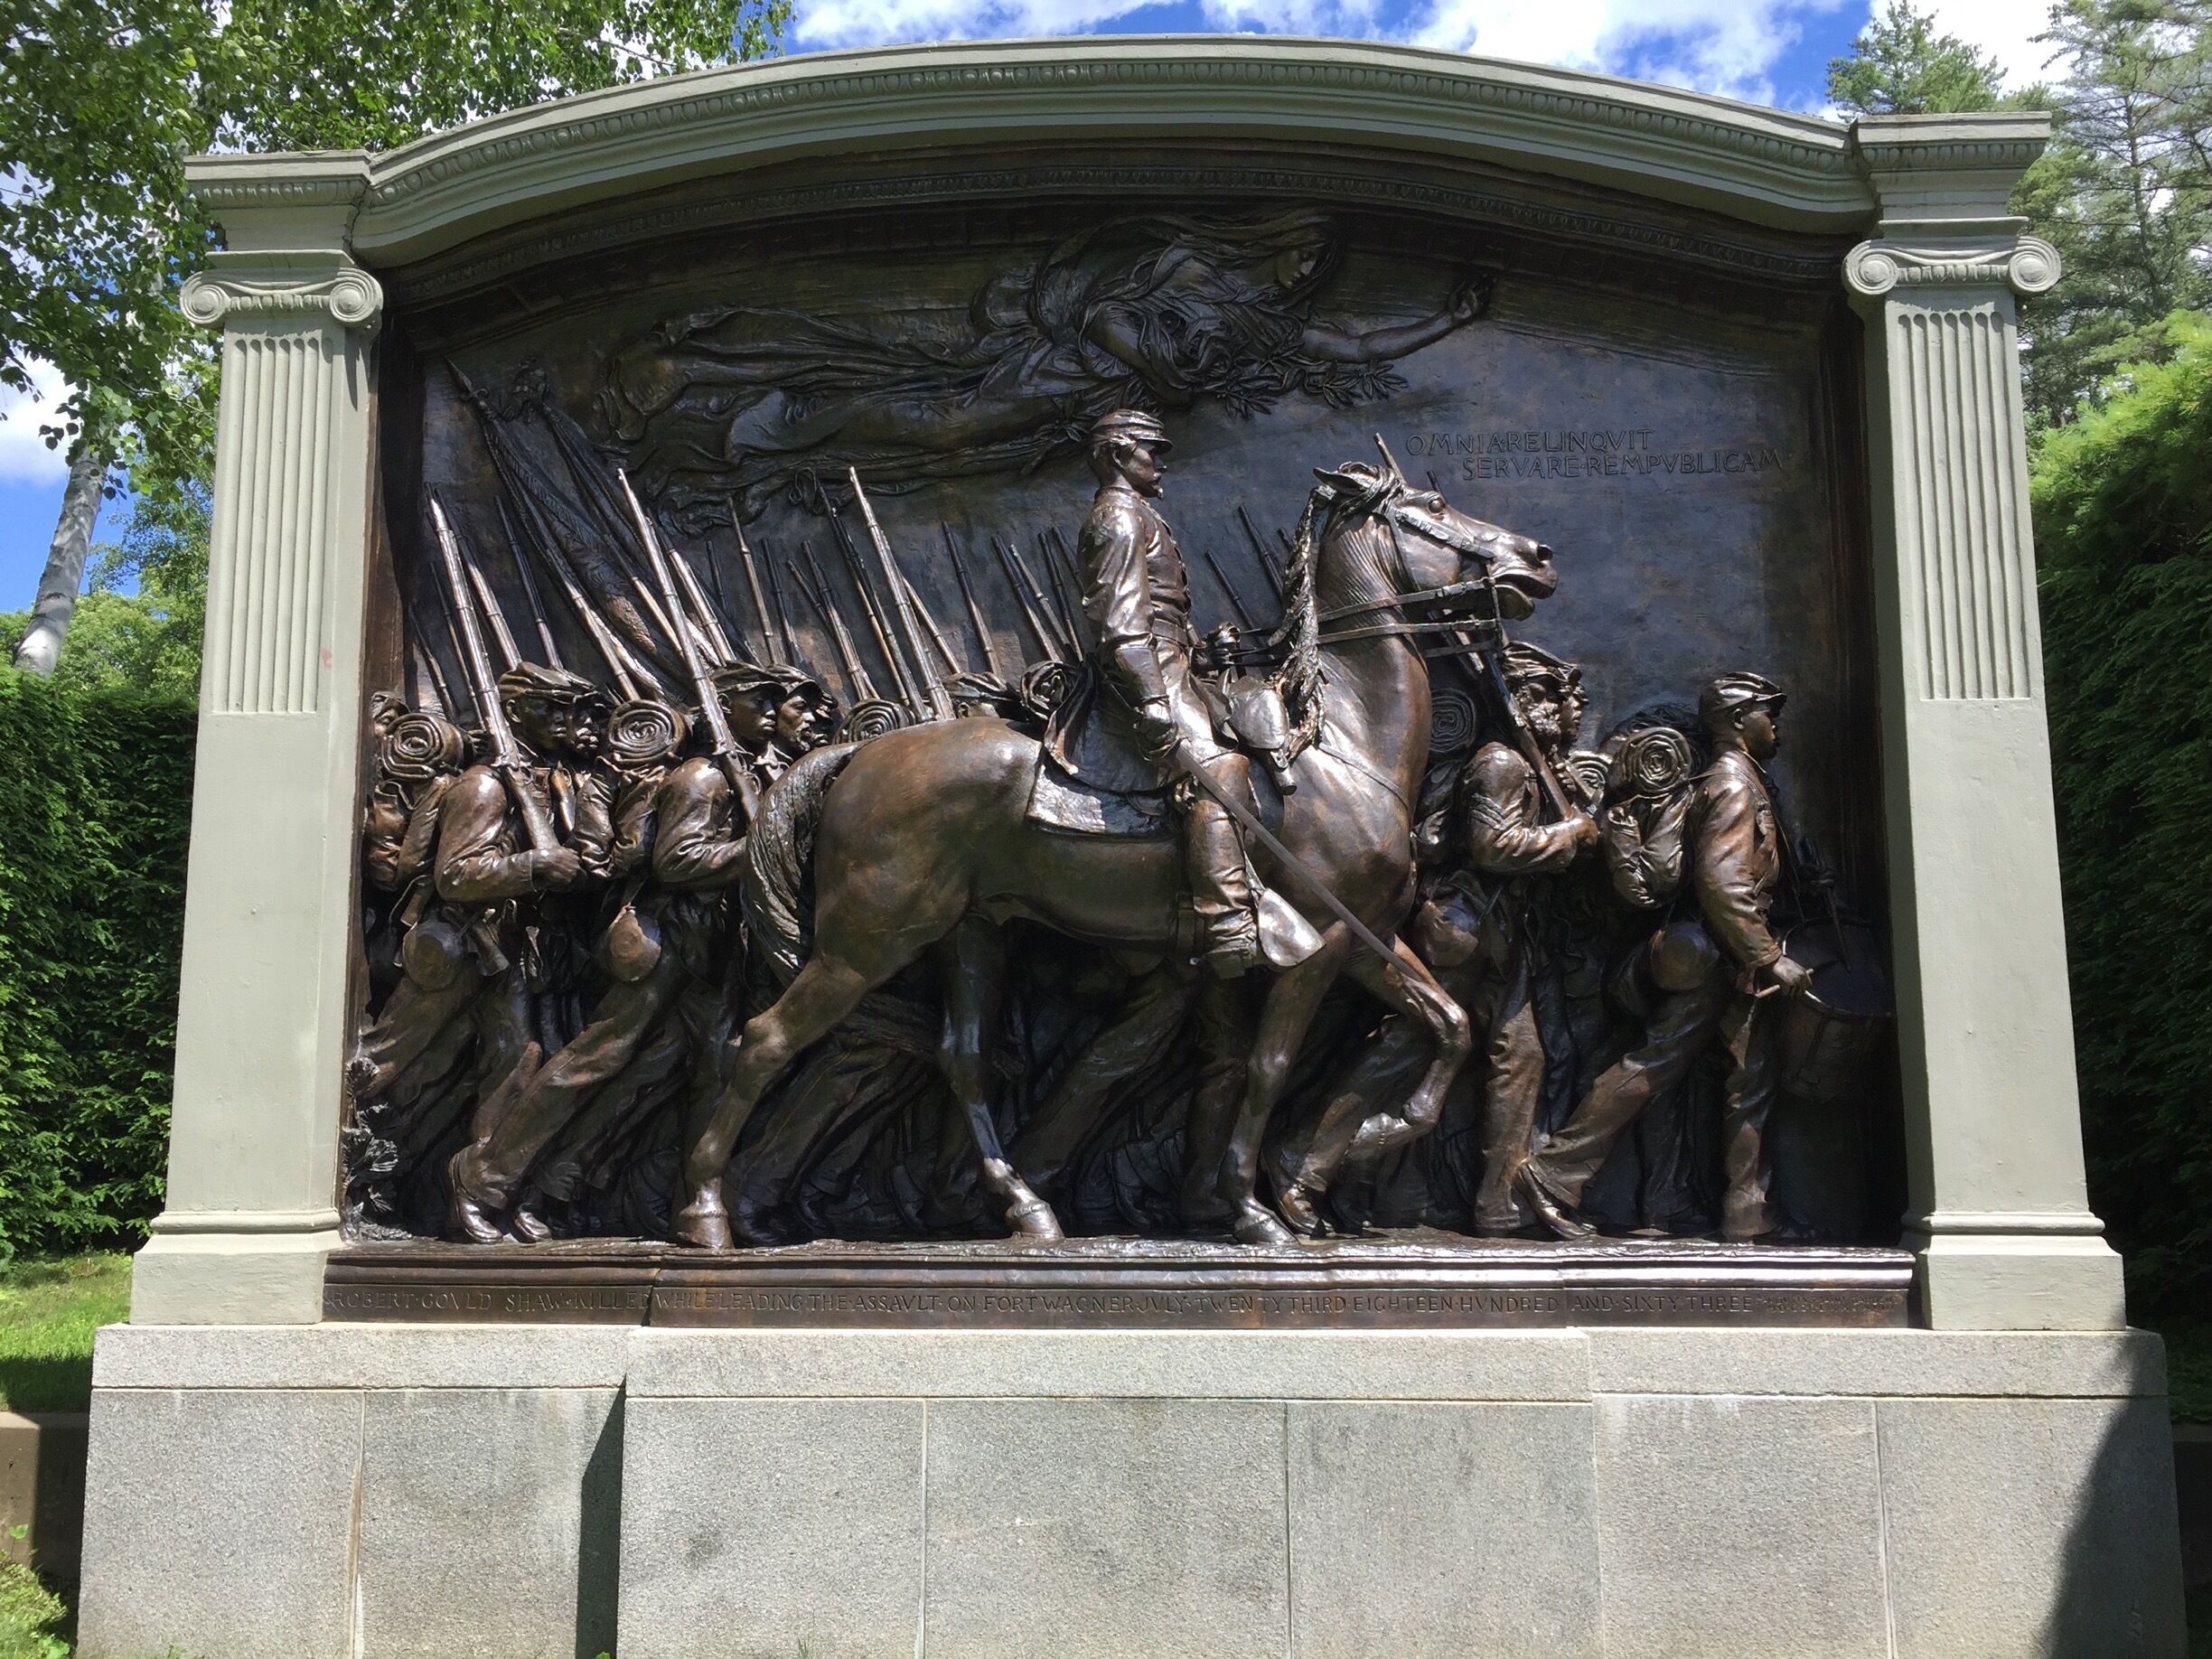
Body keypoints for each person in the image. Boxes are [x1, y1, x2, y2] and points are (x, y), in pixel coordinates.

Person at [1272, 643, 1598, 1234]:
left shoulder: (1534, 766)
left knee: (1519, 1054)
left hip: (1498, 932)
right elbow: (1493, 846)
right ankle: (1304, 1158)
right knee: (1407, 1046)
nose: (1571, 707)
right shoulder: (1501, 763)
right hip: (1461, 929)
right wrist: (1570, 835)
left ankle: (1501, 1207)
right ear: (1525, 701)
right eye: (1555, 694)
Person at [447, 667, 776, 1242]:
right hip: (665, 937)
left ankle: (560, 1182)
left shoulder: (737, 771)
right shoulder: (700, 777)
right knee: (595, 1058)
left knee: (684, 1066)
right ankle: (484, 1176)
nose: (775, 712)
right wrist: (765, 845)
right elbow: (677, 861)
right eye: (762, 700)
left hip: (712, 946)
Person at [1519, 671, 1811, 1242]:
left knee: (1741, 1077)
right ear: (1735, 722)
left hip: (1726, 955)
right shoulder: (1732, 784)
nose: (1774, 722)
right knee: (1662, 1065)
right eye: (1764, 711)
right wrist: (1766, 956)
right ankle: (1554, 1172)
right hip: (1725, 957)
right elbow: (1721, 882)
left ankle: (1745, 1212)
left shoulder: (1746, 780)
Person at [1043, 408, 1261, 976]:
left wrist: (1200, 649)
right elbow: (1121, 625)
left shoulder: (1139, 515)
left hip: (1172, 663)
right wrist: (1151, 698)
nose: (1160, 462)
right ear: (1117, 455)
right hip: (1144, 673)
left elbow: (1159, 610)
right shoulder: (1117, 518)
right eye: (1150, 451)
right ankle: (1227, 920)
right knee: (1218, 770)